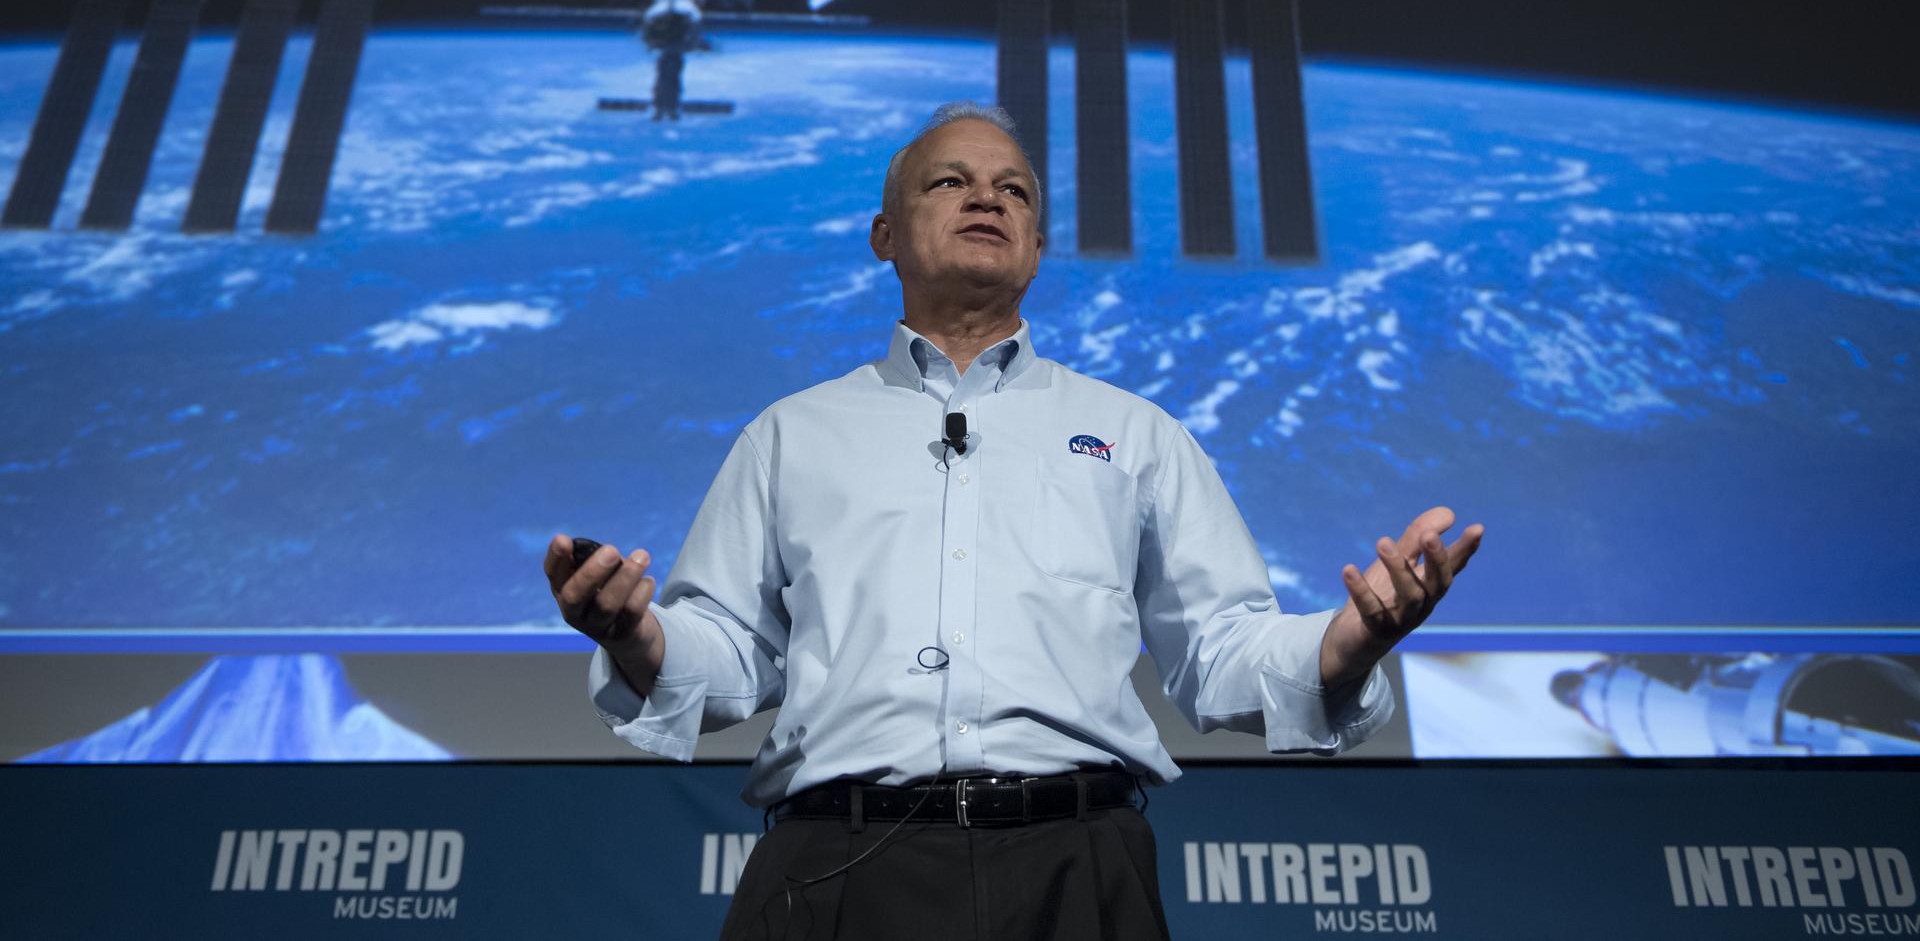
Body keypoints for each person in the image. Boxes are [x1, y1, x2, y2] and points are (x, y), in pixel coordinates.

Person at [545, 102, 1484, 940]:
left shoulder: (1136, 434)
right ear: (884, 234)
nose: (986, 198)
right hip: (836, 868)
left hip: (1077, 866)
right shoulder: (790, 434)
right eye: (949, 181)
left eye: (1014, 190)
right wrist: (637, 635)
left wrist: (1348, 643)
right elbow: (728, 654)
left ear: (1036, 246)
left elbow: (1221, 651)